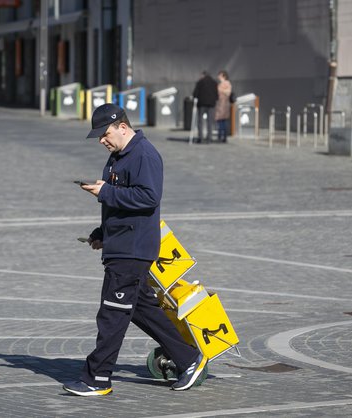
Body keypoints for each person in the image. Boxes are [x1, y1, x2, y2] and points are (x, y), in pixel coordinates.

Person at [64, 103, 207, 396]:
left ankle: (97, 379)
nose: (102, 141)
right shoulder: (118, 157)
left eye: (104, 134)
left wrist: (104, 191)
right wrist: (102, 233)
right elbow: (121, 204)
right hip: (121, 245)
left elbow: (148, 197)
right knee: (141, 310)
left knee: (112, 314)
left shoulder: (144, 154)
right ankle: (189, 358)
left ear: (122, 127)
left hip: (133, 250)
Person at [192, 71, 218, 143]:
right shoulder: (214, 82)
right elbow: (216, 94)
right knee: (209, 121)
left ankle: (201, 137)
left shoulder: (200, 82)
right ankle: (209, 138)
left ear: (203, 75)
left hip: (202, 104)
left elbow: (195, 93)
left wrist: (195, 97)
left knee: (200, 121)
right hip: (211, 104)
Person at [215, 70, 233, 143]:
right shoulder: (219, 84)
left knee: (223, 121)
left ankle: (223, 136)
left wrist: (220, 90)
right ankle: (220, 136)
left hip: (224, 104)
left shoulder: (227, 83)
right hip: (220, 105)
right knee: (220, 121)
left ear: (223, 76)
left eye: (220, 75)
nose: (218, 77)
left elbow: (228, 92)